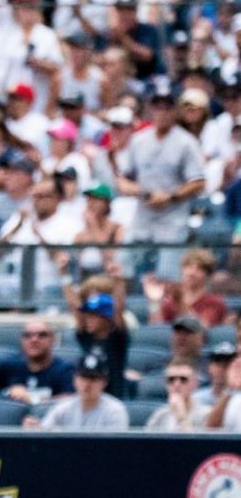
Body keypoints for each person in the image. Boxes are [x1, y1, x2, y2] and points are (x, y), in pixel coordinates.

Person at [116, 83, 205, 280]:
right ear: (150, 109)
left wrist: (170, 196)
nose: (162, 112)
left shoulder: (186, 142)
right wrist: (144, 193)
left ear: (175, 110)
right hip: (142, 220)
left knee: (167, 279)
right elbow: (122, 181)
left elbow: (198, 182)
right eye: (158, 106)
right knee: (122, 269)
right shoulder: (139, 140)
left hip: (172, 222)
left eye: (167, 107)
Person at [0, 320, 74, 404]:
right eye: (27, 335)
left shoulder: (65, 369)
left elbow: (69, 401)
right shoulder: (10, 364)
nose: (34, 339)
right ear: (21, 341)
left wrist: (32, 399)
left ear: (53, 340)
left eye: (42, 335)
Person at [28, 354, 129, 431]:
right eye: (83, 378)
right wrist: (34, 428)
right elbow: (44, 435)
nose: (87, 384)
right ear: (75, 379)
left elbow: (115, 449)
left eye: (93, 378)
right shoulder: (63, 407)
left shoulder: (115, 410)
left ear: (104, 382)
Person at [67, 289, 129, 398]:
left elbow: (118, 309)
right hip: (88, 399)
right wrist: (64, 277)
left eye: (93, 315)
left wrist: (119, 279)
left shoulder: (117, 340)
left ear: (107, 318)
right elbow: (75, 307)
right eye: (87, 315)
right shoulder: (87, 338)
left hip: (113, 400)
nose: (87, 319)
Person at [144, 248, 229, 328]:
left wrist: (181, 305)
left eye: (199, 269)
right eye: (188, 267)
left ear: (207, 275)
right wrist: (154, 302)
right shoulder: (171, 300)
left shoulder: (215, 302)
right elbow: (157, 328)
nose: (192, 273)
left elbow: (200, 327)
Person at [145, 359, 211, 431]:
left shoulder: (206, 414)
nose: (177, 384)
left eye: (183, 379)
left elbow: (194, 441)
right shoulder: (160, 415)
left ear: (195, 384)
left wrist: (181, 416)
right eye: (171, 379)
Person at [195, 342, 236, 406]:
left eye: (227, 364)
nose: (222, 368)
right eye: (218, 363)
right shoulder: (196, 398)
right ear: (209, 367)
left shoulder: (238, 399)